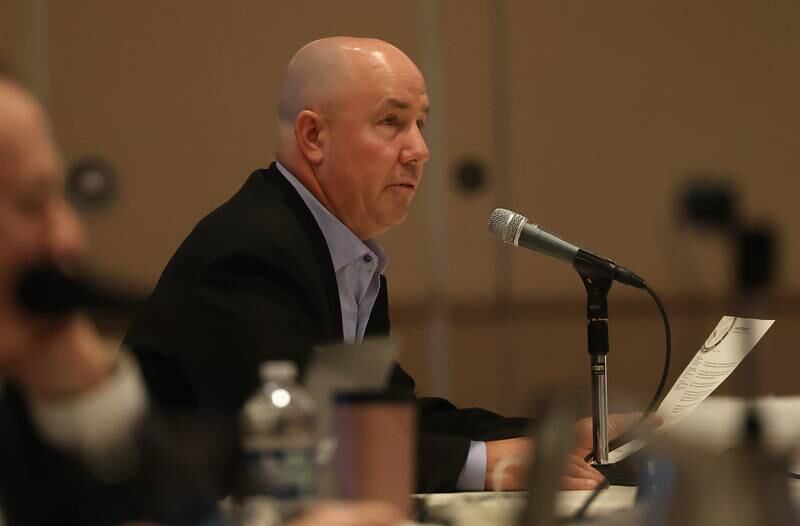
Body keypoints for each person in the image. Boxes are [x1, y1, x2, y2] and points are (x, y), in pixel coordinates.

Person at [124, 36, 634, 493]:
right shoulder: (251, 251)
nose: (420, 151)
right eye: (391, 122)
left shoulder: (336, 248)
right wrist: (489, 464)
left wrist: (543, 438)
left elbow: (386, 420)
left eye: (421, 124)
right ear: (313, 137)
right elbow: (298, 444)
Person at [0, 69, 401, 526]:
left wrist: (90, 399)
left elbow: (179, 521)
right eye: (32, 203)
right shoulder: (254, 247)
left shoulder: (29, 394)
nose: (68, 239)